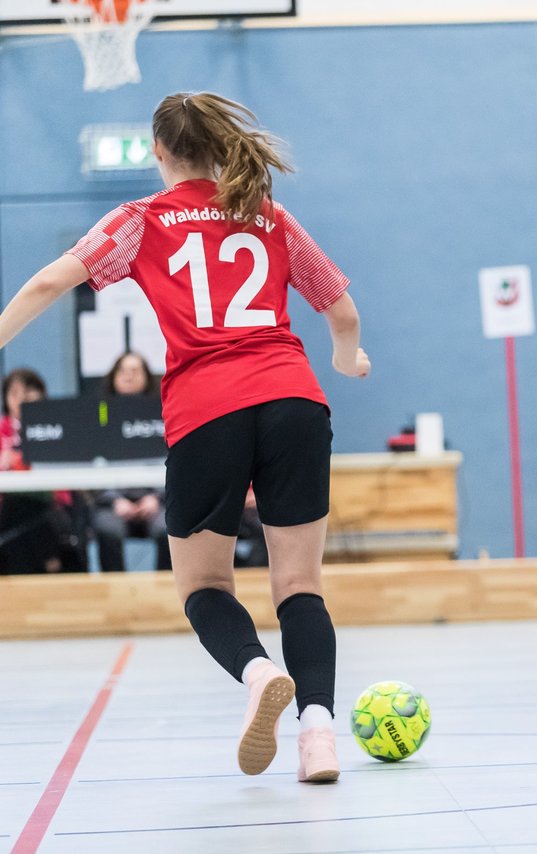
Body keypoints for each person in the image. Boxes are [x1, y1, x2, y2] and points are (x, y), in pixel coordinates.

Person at [0, 92, 370, 782]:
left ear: (159, 152)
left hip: (208, 409)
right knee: (300, 585)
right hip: (293, 399)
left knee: (203, 586)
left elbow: (53, 280)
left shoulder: (143, 219)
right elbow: (341, 311)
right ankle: (318, 731)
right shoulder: (269, 215)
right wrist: (348, 361)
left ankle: (258, 674)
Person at [91, 351, 172, 572]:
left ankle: (166, 594)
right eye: (123, 371)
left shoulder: (164, 413)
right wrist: (115, 500)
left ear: (146, 376)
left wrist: (156, 498)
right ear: (114, 376)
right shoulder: (99, 415)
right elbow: (94, 465)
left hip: (156, 500)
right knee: (107, 529)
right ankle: (114, 596)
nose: (129, 376)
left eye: (136, 371)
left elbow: (172, 460)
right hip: (114, 502)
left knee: (169, 528)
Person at [0, 368, 86, 574]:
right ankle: (48, 562)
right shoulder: (2, 430)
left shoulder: (55, 427)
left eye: (28, 393)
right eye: (15, 393)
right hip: (8, 506)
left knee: (32, 512)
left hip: (52, 502)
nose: (21, 399)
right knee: (18, 510)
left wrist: (19, 461)